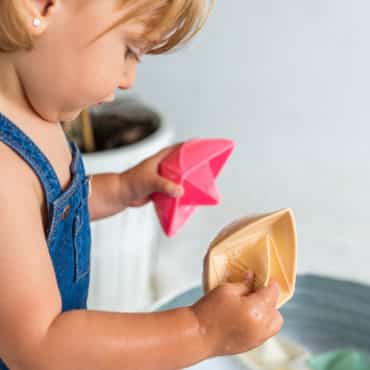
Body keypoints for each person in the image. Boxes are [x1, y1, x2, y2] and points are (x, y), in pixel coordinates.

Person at [0, 1, 283, 369]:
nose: (127, 79)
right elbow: (40, 347)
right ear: (42, 5)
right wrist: (200, 330)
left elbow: (46, 213)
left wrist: (120, 188)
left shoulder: (33, 114)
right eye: (129, 50)